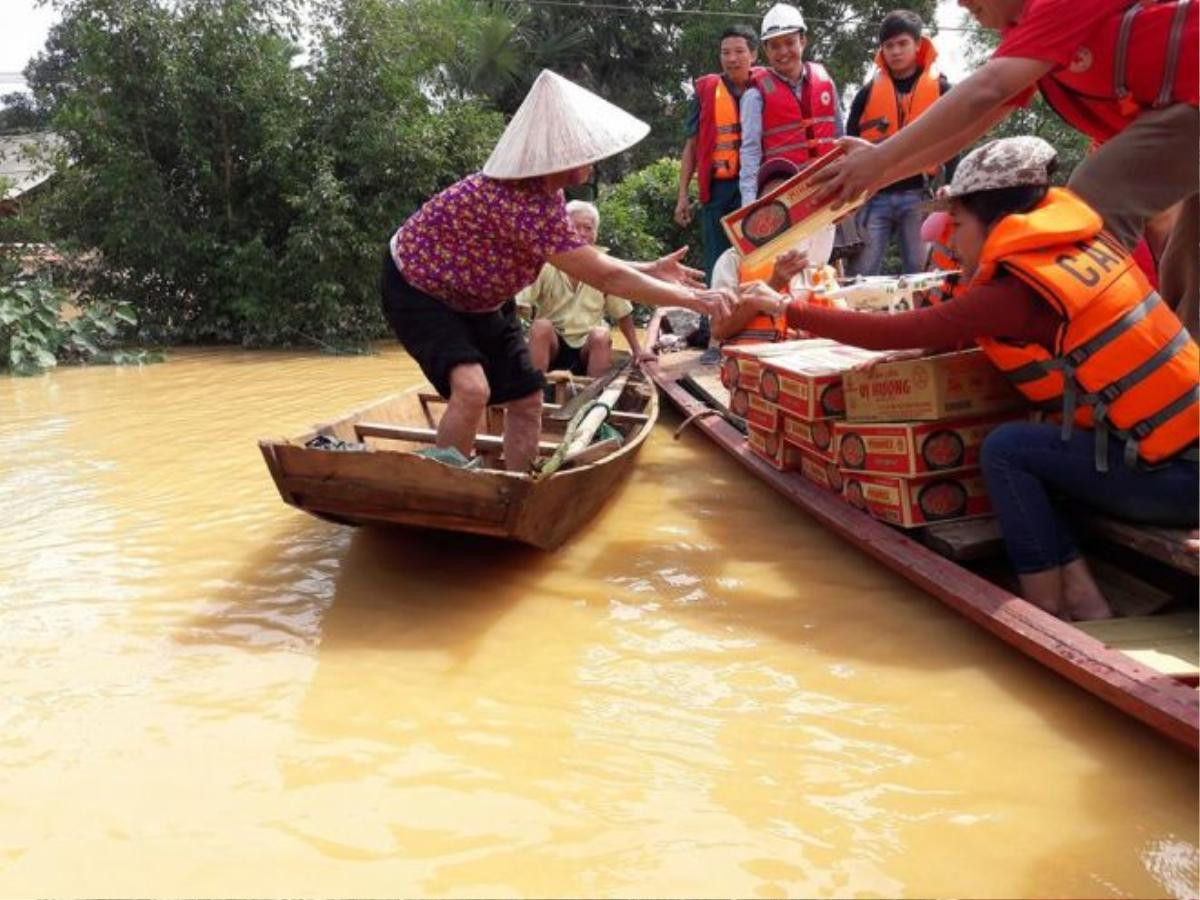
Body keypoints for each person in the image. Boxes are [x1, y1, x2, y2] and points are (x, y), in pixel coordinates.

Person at [743, 137, 1198, 621]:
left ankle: (1047, 606)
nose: (951, 240)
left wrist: (785, 307)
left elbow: (894, 330)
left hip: (1178, 478)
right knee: (1038, 442)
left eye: (958, 224)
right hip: (1179, 454)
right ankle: (1085, 597)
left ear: (996, 221)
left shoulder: (1015, 292)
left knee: (1007, 450)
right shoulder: (1083, 247)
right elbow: (953, 331)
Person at [382, 71, 734, 473]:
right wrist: (695, 299)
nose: (593, 157)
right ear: (560, 156)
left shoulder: (548, 197)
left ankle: (515, 490)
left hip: (481, 302)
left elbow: (581, 257)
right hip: (420, 291)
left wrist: (650, 268)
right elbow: (605, 276)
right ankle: (441, 496)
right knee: (472, 389)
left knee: (528, 400)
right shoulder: (515, 200)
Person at [812, 0, 1198, 336]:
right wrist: (878, 173)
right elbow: (973, 123)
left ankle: (1088, 358)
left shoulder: (1056, 6)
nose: (962, 2)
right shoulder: (1028, 33)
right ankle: (1186, 391)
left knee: (1092, 200)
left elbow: (987, 89)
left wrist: (880, 159)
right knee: (1187, 268)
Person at [845, 10, 956, 276]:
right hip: (875, 196)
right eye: (889, 45)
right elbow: (850, 144)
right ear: (882, 49)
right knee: (861, 271)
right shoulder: (867, 93)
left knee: (920, 273)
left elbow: (955, 139)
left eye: (902, 43)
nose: (896, 51)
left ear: (918, 44)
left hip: (919, 196)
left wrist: (952, 181)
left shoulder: (942, 89)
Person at [519, 200, 655, 376]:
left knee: (601, 335)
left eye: (588, 228)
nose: (581, 234)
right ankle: (533, 389)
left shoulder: (604, 266)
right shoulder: (547, 261)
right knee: (541, 326)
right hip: (553, 345)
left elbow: (623, 313)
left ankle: (594, 397)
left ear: (596, 234)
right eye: (575, 227)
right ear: (564, 229)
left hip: (587, 347)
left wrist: (637, 350)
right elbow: (518, 304)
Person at [710, 157, 834, 345]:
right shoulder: (732, 259)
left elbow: (837, 324)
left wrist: (802, 337)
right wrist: (773, 284)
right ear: (758, 207)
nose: (780, 206)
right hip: (749, 369)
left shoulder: (815, 255)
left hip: (803, 366)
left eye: (787, 196)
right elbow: (719, 330)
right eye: (772, 198)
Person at [675, 24, 762, 284]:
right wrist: (682, 196)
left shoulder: (767, 88)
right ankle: (712, 321)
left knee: (757, 253)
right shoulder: (705, 93)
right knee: (717, 258)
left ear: (754, 55)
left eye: (739, 51)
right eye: (725, 52)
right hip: (717, 190)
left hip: (757, 187)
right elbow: (691, 147)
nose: (732, 58)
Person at [738, 2, 846, 207]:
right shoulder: (754, 95)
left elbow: (840, 138)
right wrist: (749, 204)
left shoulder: (825, 82)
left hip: (827, 191)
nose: (783, 51)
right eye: (775, 46)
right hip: (784, 198)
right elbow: (750, 153)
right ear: (766, 50)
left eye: (790, 42)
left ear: (803, 41)